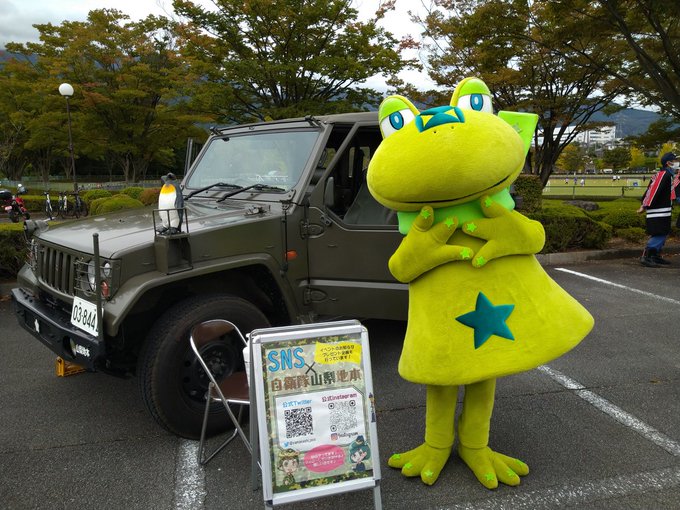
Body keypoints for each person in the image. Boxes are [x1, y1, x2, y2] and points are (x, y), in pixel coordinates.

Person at [638, 152, 679, 267]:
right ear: (668, 163)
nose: (677, 163)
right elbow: (652, 191)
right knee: (659, 233)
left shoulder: (668, 175)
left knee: (663, 232)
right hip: (658, 210)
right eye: (675, 161)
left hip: (663, 210)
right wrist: (644, 205)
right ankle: (647, 256)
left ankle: (655, 255)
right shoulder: (663, 174)